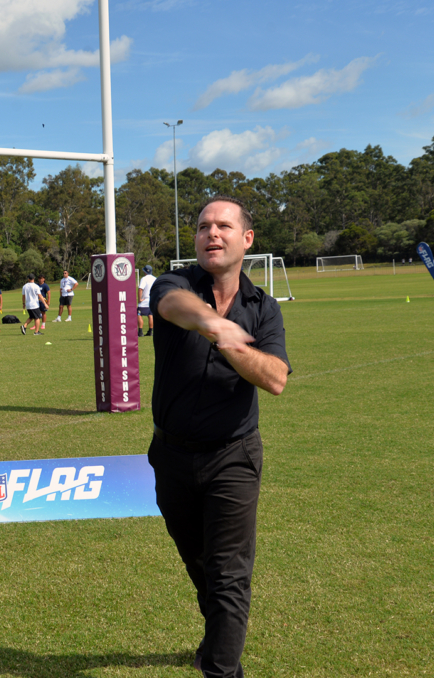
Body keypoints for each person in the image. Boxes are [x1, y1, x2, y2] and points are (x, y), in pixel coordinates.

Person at [147, 196, 290, 678]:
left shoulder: (263, 308)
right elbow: (173, 305)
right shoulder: (176, 283)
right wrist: (212, 323)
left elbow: (274, 378)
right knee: (201, 567)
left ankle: (222, 670)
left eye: (224, 226)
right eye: (204, 226)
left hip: (233, 456)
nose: (213, 233)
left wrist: (231, 344)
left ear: (246, 239)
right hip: (170, 457)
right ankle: (218, 643)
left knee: (229, 574)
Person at [138, 265, 157, 337]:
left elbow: (140, 289)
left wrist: (139, 299)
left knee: (139, 314)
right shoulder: (155, 278)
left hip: (144, 299)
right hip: (152, 299)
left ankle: (140, 332)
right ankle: (150, 331)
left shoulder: (144, 279)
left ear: (145, 271)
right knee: (150, 315)